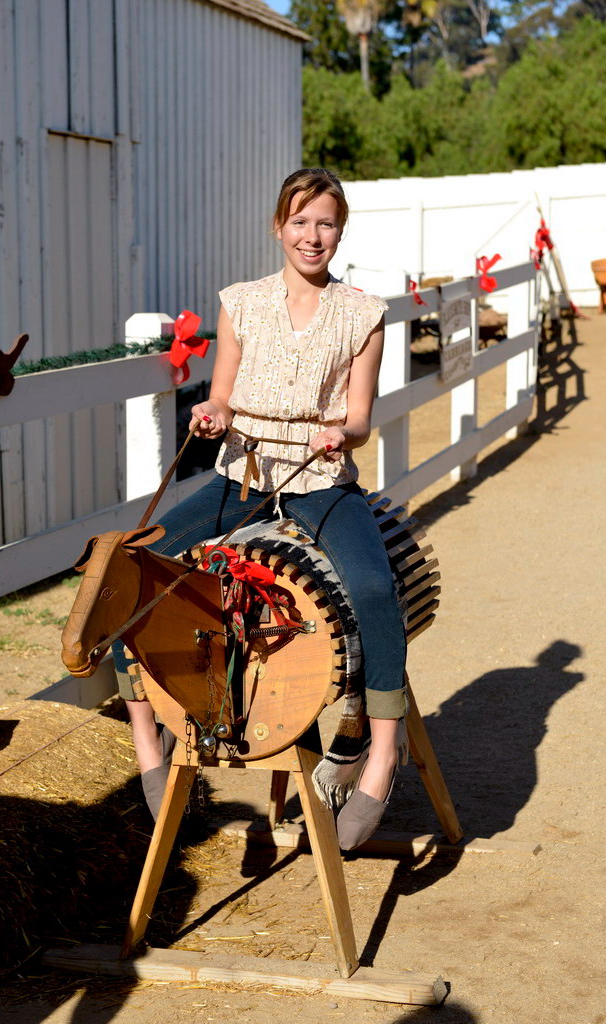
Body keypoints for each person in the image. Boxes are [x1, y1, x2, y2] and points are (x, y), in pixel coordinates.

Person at [121, 168, 407, 850]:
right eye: (300, 221)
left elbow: (362, 415)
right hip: (239, 476)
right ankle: (147, 741)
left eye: (326, 223)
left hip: (321, 481)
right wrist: (211, 415)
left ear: (340, 230)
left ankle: (382, 757)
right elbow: (221, 395)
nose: (313, 236)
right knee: (130, 568)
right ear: (278, 227)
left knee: (372, 587)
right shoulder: (240, 303)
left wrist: (343, 431)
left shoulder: (362, 314)